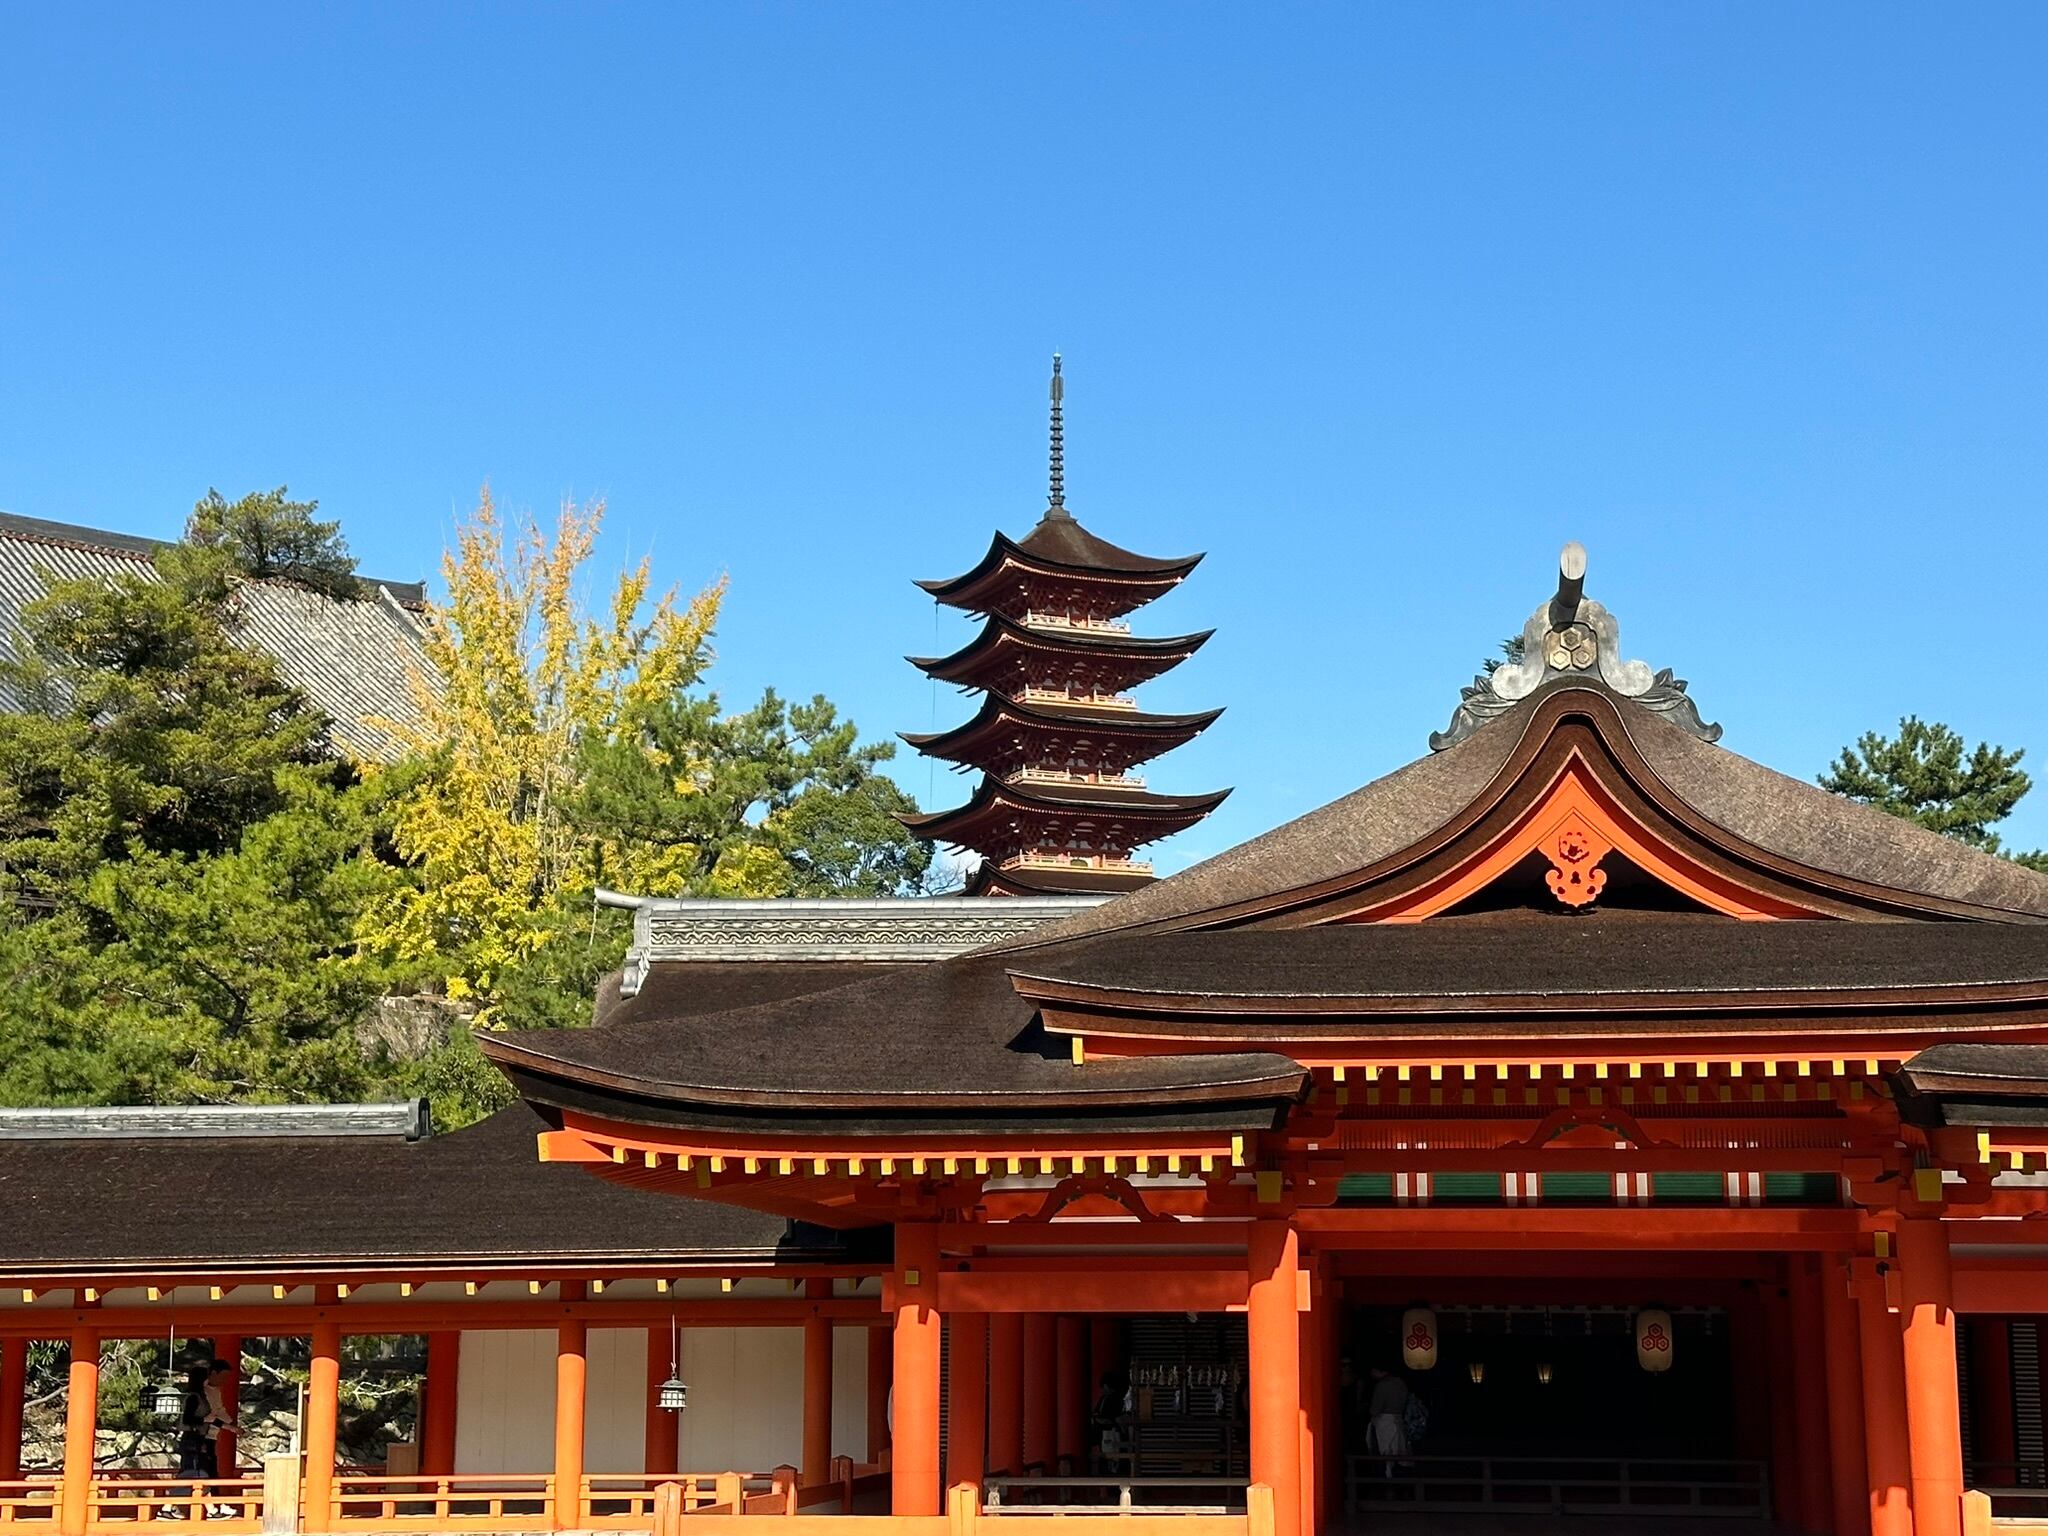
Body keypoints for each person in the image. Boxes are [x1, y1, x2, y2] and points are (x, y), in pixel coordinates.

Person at [203, 1359, 235, 1517]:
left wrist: (233, 1424)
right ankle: (214, 1507)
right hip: (202, 1435)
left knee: (211, 1471)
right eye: (222, 1376)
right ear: (213, 1373)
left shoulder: (216, 1391)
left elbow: (220, 1411)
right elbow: (208, 1416)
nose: (224, 1381)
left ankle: (217, 1505)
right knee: (201, 1473)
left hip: (213, 1435)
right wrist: (229, 1427)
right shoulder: (202, 1391)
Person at [1365, 1364, 1410, 1465]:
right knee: (1398, 1451)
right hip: (1398, 1420)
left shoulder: (1383, 1384)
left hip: (1384, 1423)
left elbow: (1375, 1409)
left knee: (1385, 1453)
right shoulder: (1400, 1383)